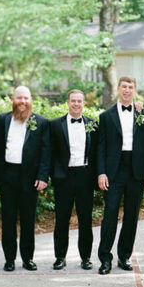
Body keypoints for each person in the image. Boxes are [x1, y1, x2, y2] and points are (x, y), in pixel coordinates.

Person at [97, 76, 144, 274]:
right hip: (114, 171)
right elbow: (101, 147)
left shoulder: (143, 114)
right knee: (110, 214)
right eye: (124, 87)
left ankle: (124, 256)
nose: (127, 90)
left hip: (136, 170)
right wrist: (101, 172)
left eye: (130, 87)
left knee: (132, 215)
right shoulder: (106, 116)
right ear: (118, 89)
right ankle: (105, 258)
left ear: (135, 90)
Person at [0, 86, 51, 271]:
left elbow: (46, 153)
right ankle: (9, 259)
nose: (22, 102)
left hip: (30, 178)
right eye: (19, 98)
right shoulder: (2, 120)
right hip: (7, 175)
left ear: (31, 99)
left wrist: (42, 176)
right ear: (12, 99)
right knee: (7, 219)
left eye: (25, 98)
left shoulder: (41, 122)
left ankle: (27, 258)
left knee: (28, 220)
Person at [50, 89, 99, 270]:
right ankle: (60, 257)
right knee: (61, 219)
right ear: (67, 102)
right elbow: (50, 153)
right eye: (73, 101)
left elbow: (97, 152)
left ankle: (85, 257)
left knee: (85, 219)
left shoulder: (92, 124)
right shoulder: (55, 125)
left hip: (85, 176)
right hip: (64, 177)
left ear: (84, 103)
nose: (76, 104)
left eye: (79, 101)